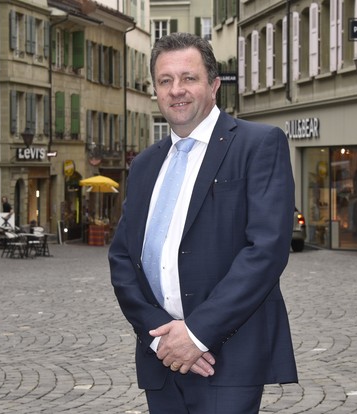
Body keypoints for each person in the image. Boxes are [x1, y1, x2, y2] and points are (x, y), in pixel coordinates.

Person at [108, 33, 297, 414]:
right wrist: (161, 337)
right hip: (160, 356)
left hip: (227, 355)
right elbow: (123, 258)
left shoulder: (258, 144)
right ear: (156, 89)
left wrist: (196, 335)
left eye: (188, 78)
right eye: (165, 80)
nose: (176, 90)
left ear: (214, 85)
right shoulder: (144, 164)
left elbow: (266, 251)